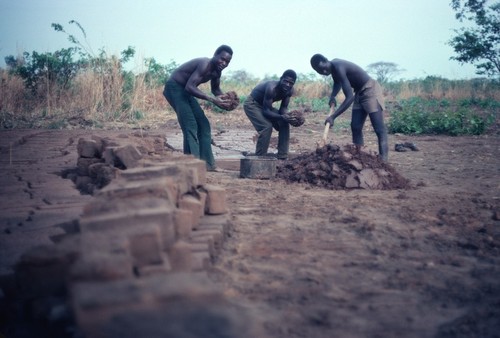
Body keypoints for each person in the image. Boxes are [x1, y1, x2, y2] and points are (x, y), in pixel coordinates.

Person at [163, 45, 234, 171]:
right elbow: (190, 86)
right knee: (190, 125)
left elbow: (215, 90)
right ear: (215, 55)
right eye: (222, 59)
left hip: (186, 90)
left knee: (204, 125)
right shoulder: (205, 64)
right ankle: (192, 165)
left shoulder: (217, 71)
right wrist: (213, 100)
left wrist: (226, 100)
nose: (224, 63)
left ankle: (208, 165)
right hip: (174, 87)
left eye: (227, 62)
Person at [310, 54, 389, 161]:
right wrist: (333, 96)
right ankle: (359, 156)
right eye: (320, 71)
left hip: (370, 89)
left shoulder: (338, 67)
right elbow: (337, 82)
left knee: (379, 128)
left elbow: (349, 98)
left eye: (324, 69)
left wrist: (333, 116)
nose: (324, 72)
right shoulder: (333, 68)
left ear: (326, 60)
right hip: (359, 92)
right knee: (355, 126)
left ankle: (384, 160)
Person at [243, 69, 297, 160]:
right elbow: (266, 111)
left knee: (284, 124)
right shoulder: (272, 88)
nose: (288, 85)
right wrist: (281, 117)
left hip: (265, 106)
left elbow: (283, 108)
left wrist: (287, 117)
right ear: (281, 79)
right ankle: (260, 158)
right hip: (252, 104)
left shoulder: (289, 91)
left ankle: (282, 156)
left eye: (291, 83)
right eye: (286, 81)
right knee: (266, 127)